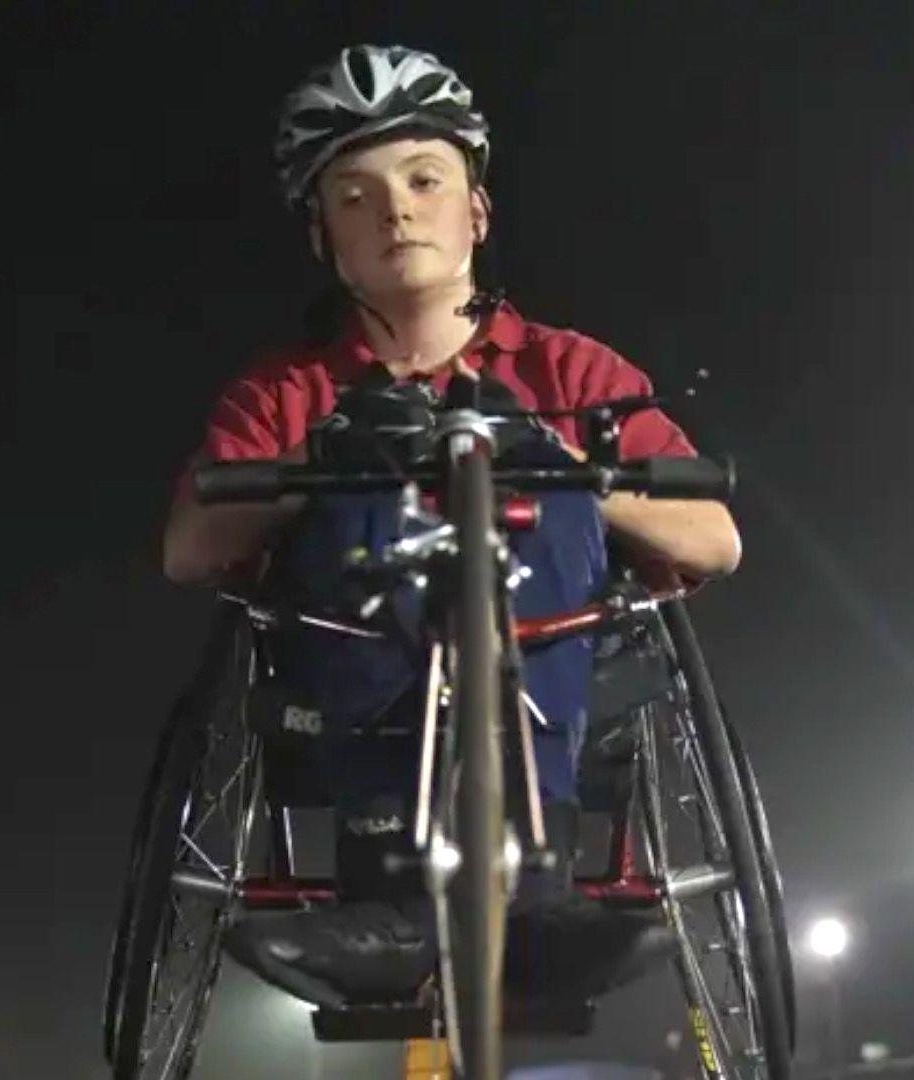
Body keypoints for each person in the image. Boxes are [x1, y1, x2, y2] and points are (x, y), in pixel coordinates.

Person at [162, 44, 739, 1009]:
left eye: (424, 180)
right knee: (374, 463)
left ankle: (532, 893)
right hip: (351, 670)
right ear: (323, 239)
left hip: (552, 664)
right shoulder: (284, 391)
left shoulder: (572, 369)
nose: (394, 210)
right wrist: (329, 461)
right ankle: (389, 891)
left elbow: (715, 540)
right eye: (355, 196)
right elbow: (188, 550)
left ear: (475, 209)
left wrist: (555, 467)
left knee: (516, 458)